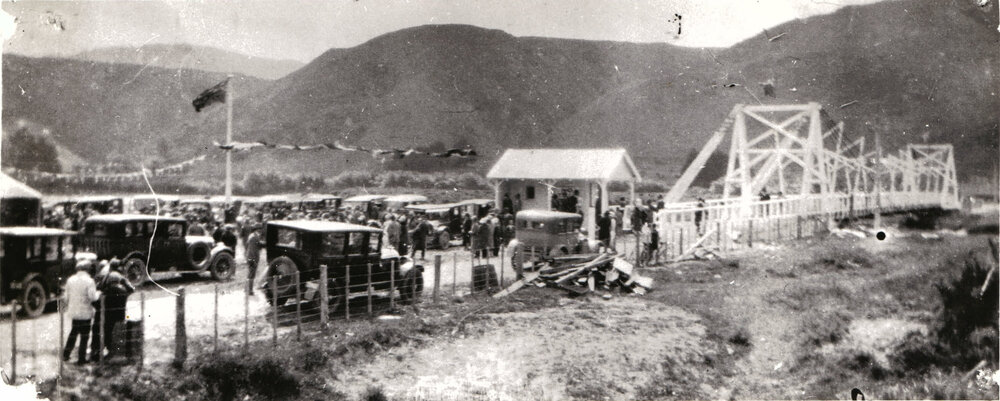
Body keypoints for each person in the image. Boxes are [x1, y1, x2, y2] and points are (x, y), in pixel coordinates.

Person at [91, 259, 134, 361]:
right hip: (120, 307)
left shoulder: (107, 276)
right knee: (117, 327)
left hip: (107, 306)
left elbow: (99, 287)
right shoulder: (122, 277)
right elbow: (131, 289)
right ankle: (115, 350)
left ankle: (99, 350)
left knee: (103, 328)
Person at [64, 261, 100, 365]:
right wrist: (98, 294)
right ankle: (81, 358)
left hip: (74, 311)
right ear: (87, 269)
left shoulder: (70, 280)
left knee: (73, 333)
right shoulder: (89, 281)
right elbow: (92, 297)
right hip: (85, 312)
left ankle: (66, 354)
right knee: (85, 335)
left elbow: (66, 297)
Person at [245, 225, 263, 295]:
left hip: (250, 257)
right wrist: (254, 260)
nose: (260, 231)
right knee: (251, 275)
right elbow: (252, 249)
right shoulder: (254, 237)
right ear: (256, 230)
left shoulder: (252, 236)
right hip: (252, 258)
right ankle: (250, 290)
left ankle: (246, 289)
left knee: (250, 274)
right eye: (259, 229)